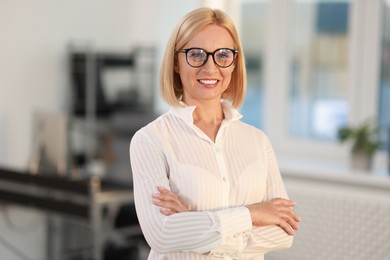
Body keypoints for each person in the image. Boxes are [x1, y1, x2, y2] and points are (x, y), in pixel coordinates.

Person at [129, 7, 301, 260]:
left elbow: (284, 233)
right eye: (196, 54)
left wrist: (191, 222)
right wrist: (252, 214)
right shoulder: (150, 140)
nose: (210, 67)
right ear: (176, 62)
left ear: (234, 63)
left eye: (222, 55)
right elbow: (162, 235)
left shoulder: (257, 141)